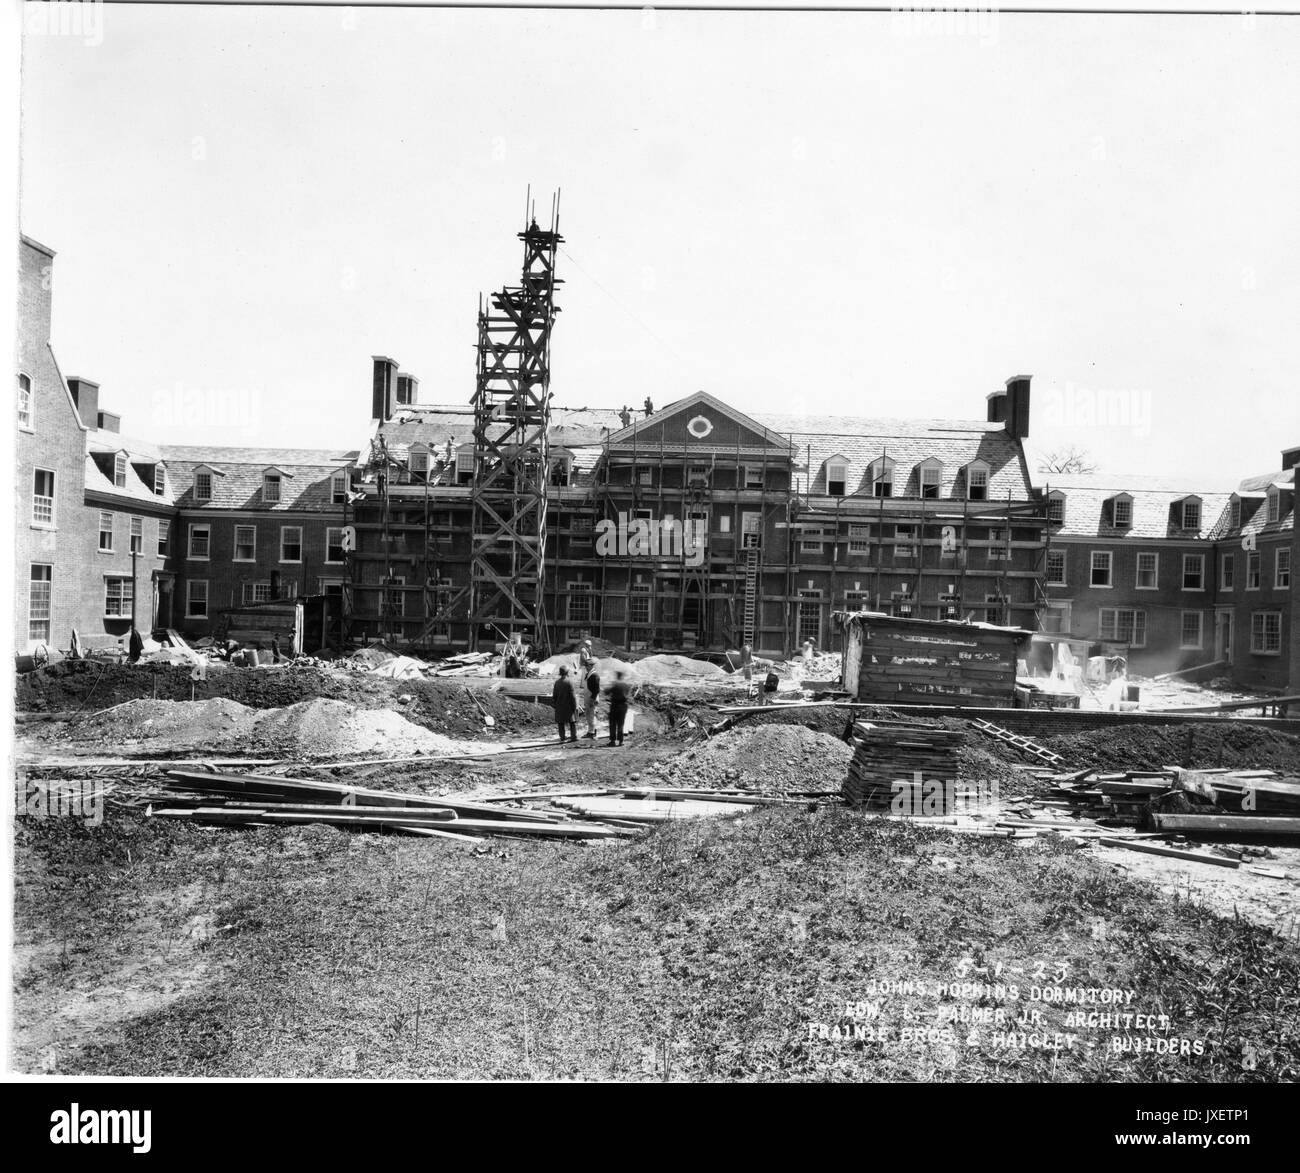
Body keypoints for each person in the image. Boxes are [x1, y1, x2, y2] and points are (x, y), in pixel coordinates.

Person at [552, 665, 579, 744]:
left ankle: (562, 737)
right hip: (569, 706)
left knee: (561, 723)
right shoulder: (569, 682)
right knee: (572, 722)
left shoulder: (557, 683)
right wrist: (575, 706)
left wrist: (555, 705)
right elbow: (573, 696)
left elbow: (554, 696)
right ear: (567, 672)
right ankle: (573, 737)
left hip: (560, 706)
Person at [606, 669, 630, 746]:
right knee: (621, 723)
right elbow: (628, 695)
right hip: (623, 705)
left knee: (613, 723)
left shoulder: (615, 684)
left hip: (615, 705)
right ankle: (621, 741)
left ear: (617, 676)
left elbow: (606, 692)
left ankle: (612, 741)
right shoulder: (626, 685)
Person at [583, 664, 601, 738]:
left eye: (587, 666)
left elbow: (597, 690)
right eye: (585, 666)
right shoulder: (589, 674)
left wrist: (592, 699)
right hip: (588, 697)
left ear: (591, 666)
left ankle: (592, 733)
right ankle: (591, 731)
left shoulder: (594, 675)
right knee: (589, 715)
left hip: (591, 698)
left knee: (591, 715)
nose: (586, 667)